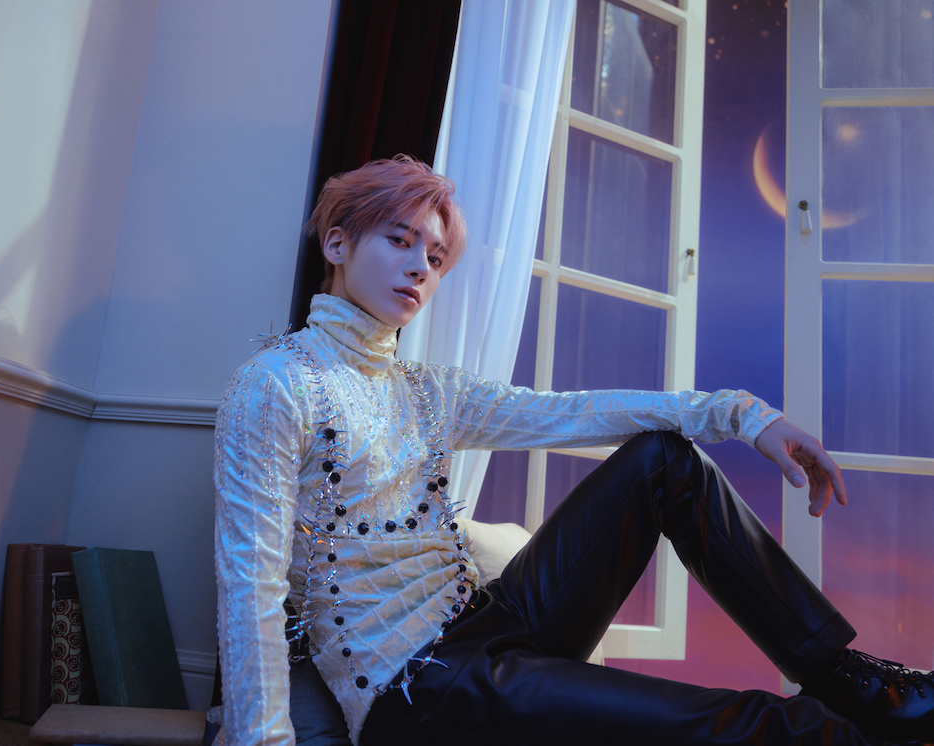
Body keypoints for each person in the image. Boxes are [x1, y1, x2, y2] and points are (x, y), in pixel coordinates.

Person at [213, 155, 934, 746]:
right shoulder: (276, 384)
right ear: (338, 245)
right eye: (399, 241)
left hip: (489, 626)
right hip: (420, 690)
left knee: (662, 461)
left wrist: (745, 415)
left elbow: (573, 412)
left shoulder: (427, 390)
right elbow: (251, 585)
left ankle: (844, 676)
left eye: (434, 256)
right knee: (744, 721)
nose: (420, 269)